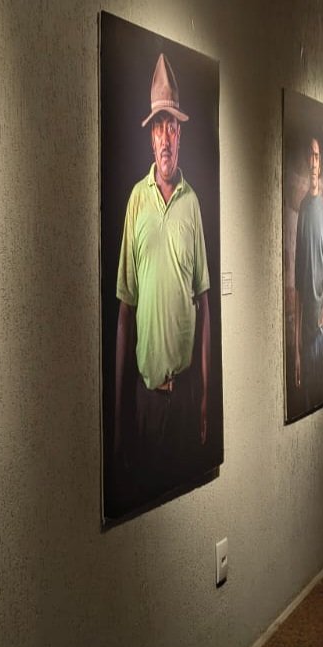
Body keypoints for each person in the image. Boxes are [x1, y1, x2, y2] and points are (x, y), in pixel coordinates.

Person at [114, 54, 211, 502]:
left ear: (180, 134)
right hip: (147, 399)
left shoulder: (192, 204)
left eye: (172, 126)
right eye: (159, 127)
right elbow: (125, 311)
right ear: (151, 138)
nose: (166, 137)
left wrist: (206, 395)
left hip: (186, 394)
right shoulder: (136, 201)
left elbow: (204, 303)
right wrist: (120, 417)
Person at [293, 137, 323, 408]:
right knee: (308, 404)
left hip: (321, 331)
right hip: (306, 336)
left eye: (317, 156)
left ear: (321, 163)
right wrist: (296, 350)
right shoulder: (304, 211)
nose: (313, 162)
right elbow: (298, 285)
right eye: (310, 155)